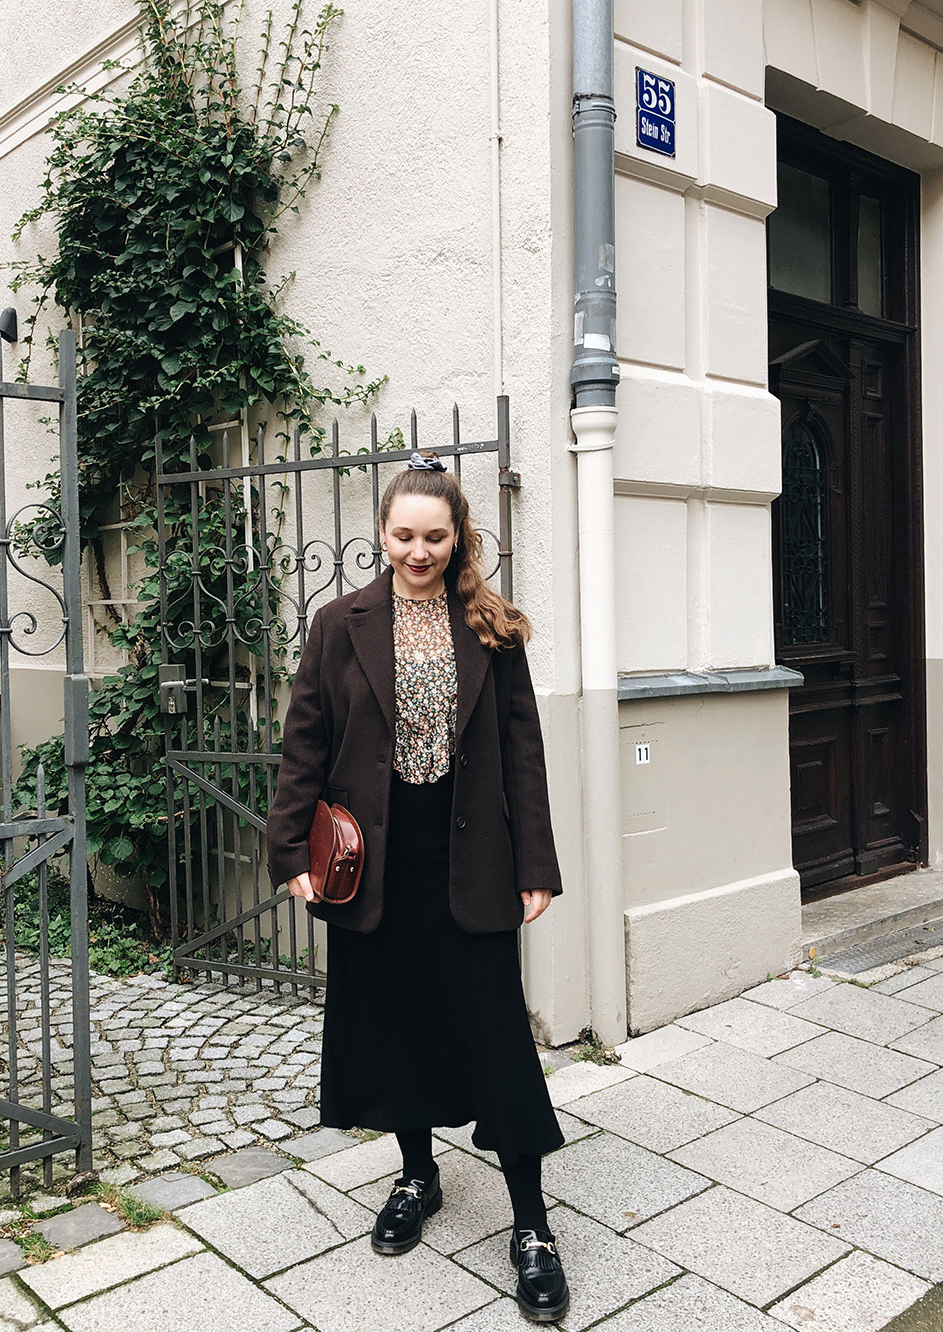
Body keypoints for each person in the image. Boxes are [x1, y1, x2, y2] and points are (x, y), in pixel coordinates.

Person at [266, 449, 570, 1322]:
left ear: (457, 534)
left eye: (434, 535)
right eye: (403, 535)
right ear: (382, 533)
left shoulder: (492, 626)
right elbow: (306, 748)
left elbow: (524, 755)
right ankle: (416, 1175)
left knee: (496, 1040)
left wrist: (536, 866)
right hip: (375, 863)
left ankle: (532, 1225)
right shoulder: (340, 624)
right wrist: (291, 850)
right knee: (396, 1026)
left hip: (471, 860)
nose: (418, 550)